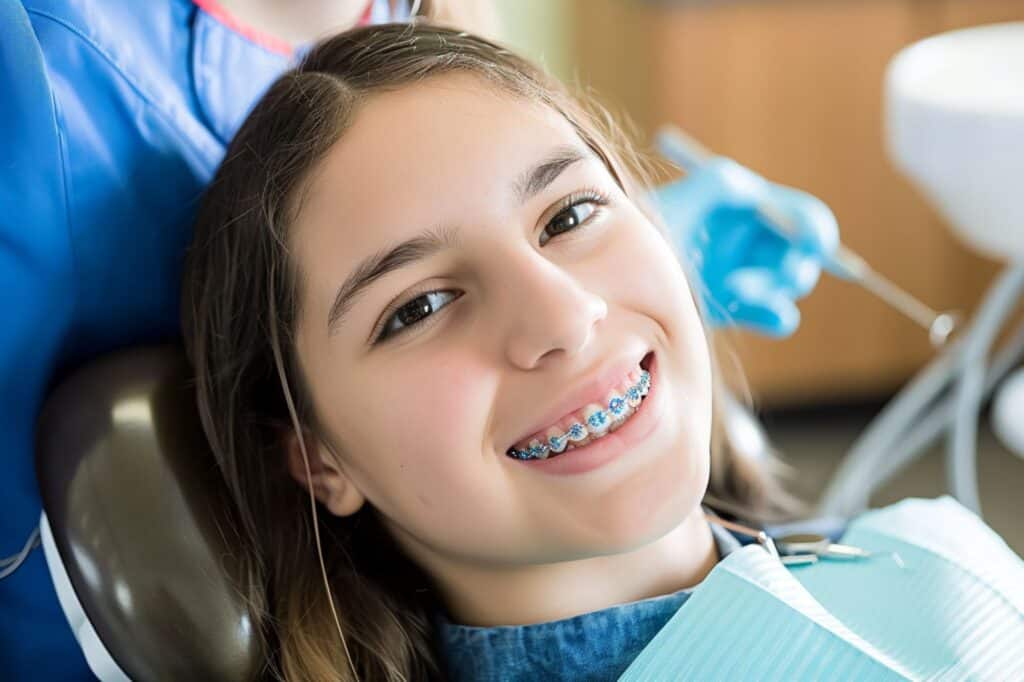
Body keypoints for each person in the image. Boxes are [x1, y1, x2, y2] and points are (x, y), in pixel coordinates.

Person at [0, 0, 835, 676]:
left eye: (572, 214)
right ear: (315, 457)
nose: (567, 315)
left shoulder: (912, 552)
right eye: (419, 307)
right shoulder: (41, 78)